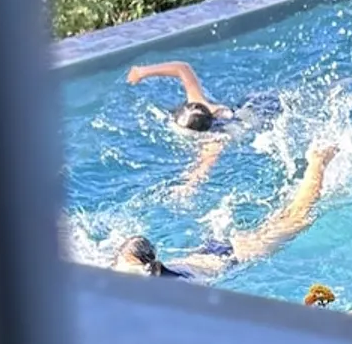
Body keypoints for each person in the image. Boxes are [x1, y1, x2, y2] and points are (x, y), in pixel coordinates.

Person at [111, 142, 339, 280]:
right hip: (208, 254)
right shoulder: (134, 273)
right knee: (287, 217)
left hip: (232, 257)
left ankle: (318, 161)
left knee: (297, 217)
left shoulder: (158, 283)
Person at [126, 60, 282, 201]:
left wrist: (189, 185)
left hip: (262, 114)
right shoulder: (198, 101)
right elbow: (182, 68)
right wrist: (141, 72)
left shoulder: (214, 139)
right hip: (254, 101)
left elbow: (205, 164)